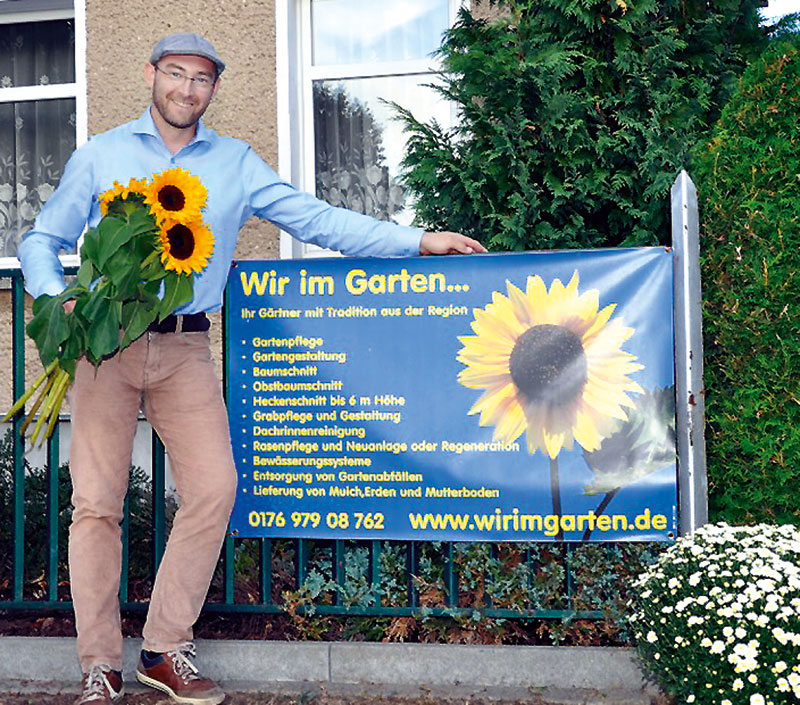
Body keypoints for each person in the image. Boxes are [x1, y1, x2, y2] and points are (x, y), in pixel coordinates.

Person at [17, 32, 484, 705]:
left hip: (185, 349)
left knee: (215, 487)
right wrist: (53, 294)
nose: (187, 89)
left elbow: (317, 219)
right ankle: (98, 664)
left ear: (213, 89)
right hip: (104, 347)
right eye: (176, 74)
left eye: (202, 79)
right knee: (95, 505)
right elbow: (44, 237)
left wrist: (416, 240)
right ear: (151, 75)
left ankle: (161, 645)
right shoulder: (102, 156)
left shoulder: (234, 162)